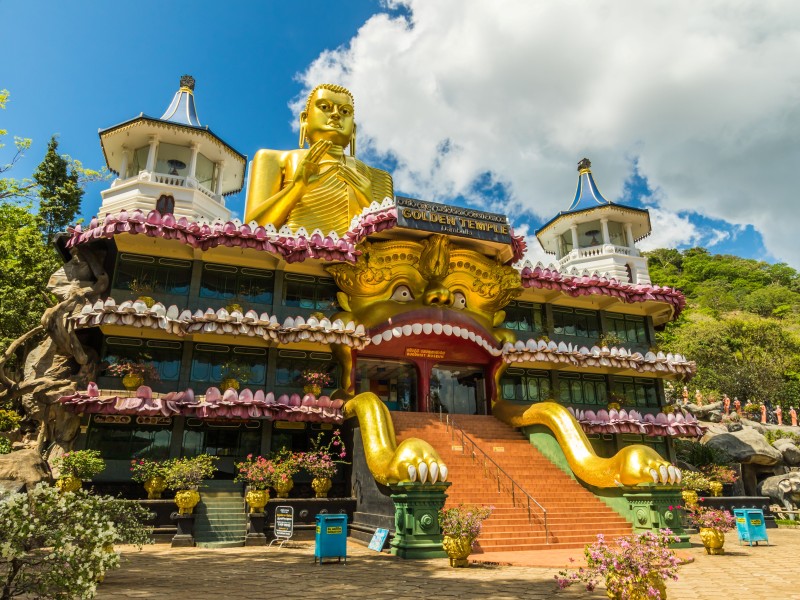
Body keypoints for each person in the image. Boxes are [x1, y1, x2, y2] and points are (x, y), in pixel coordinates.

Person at [244, 83, 393, 235]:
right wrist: (297, 188)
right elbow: (251, 229)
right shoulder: (275, 159)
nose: (336, 115)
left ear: (353, 129)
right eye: (324, 107)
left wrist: (369, 204)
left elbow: (388, 245)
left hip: (357, 257)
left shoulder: (377, 177)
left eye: (345, 111)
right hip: (292, 257)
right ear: (304, 119)